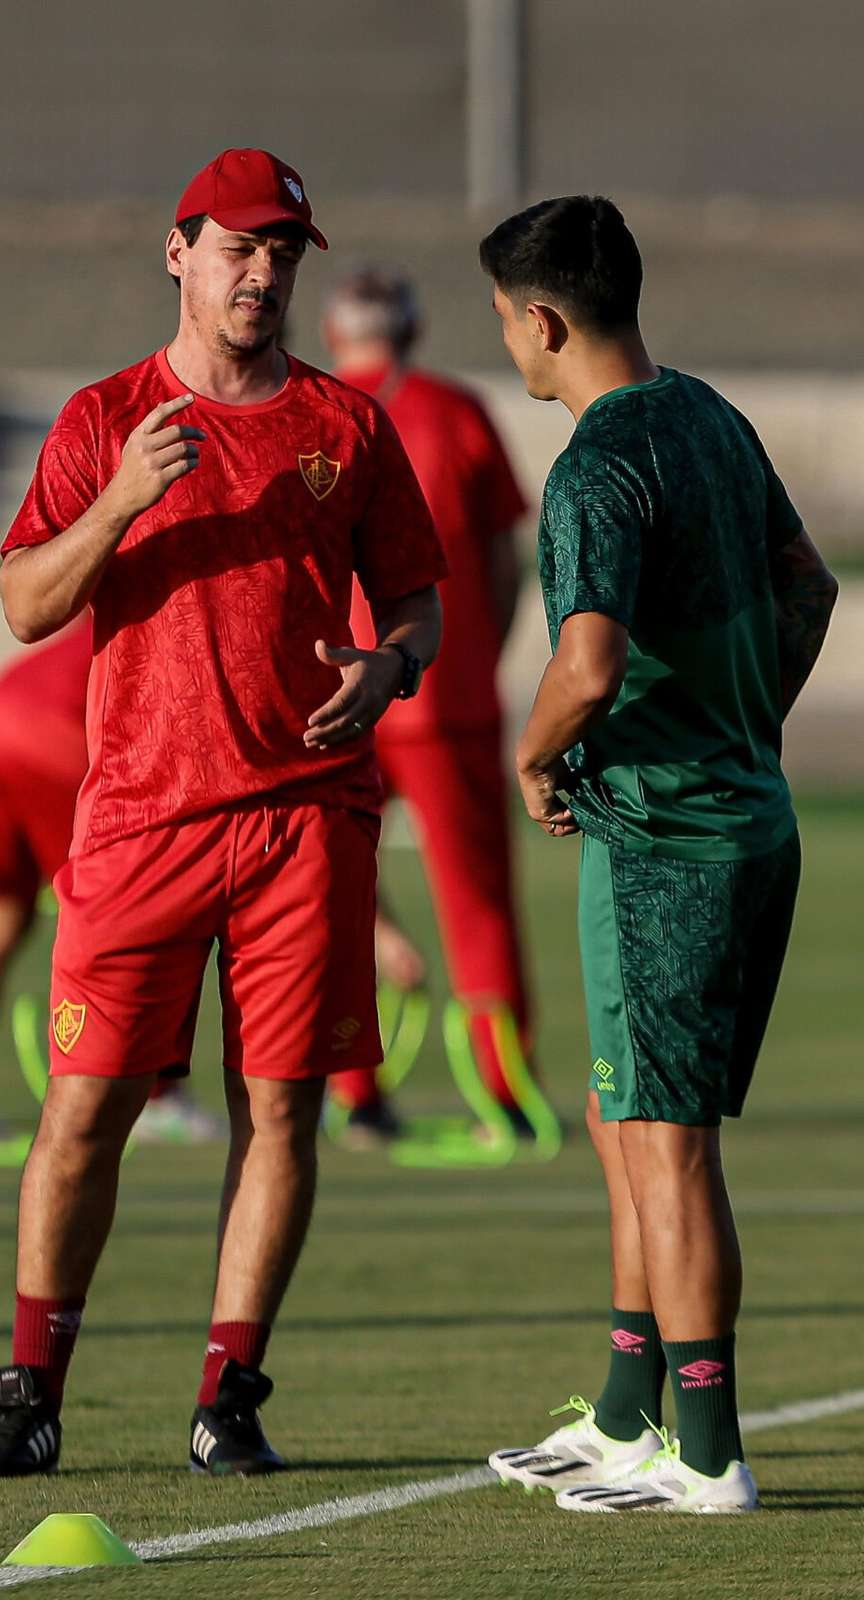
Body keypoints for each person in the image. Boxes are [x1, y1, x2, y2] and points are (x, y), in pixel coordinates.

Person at [0, 147, 446, 1480]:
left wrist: (391, 666)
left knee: (279, 1116)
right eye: (240, 249)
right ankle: (30, 1390)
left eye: (284, 251)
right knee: (83, 1113)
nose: (265, 273)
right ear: (178, 252)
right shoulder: (105, 415)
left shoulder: (347, 425)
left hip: (304, 823)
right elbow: (25, 604)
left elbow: (419, 603)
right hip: (139, 824)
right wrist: (124, 499)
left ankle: (228, 1395)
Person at [479, 196, 837, 1512]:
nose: (508, 348)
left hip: (667, 845)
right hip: (739, 820)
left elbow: (586, 661)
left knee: (670, 1143)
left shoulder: (596, 461)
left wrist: (531, 755)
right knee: (623, 1113)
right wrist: (742, 719)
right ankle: (631, 1415)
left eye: (506, 325)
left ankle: (708, 1452)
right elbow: (811, 586)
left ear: (546, 319)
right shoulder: (710, 416)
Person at [320, 268, 533, 1141]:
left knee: (331, 893)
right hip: (447, 692)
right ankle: (504, 1091)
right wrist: (481, 650)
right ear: (412, 328)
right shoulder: (458, 411)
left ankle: (351, 1092)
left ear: (335, 332)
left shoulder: (314, 412)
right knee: (478, 902)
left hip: (340, 693)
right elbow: (505, 562)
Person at [0, 617, 222, 1148]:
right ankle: (158, 1098)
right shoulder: (179, 627)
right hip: (50, 729)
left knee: (0, 915)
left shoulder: (109, 611)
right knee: (143, 903)